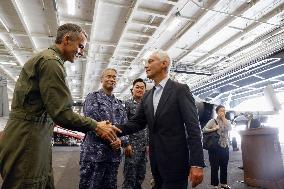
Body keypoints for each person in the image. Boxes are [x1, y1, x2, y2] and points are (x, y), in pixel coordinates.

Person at [0, 23, 119, 189]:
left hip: (35, 137)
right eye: (80, 46)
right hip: (28, 139)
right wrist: (96, 126)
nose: (81, 52)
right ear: (67, 39)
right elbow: (62, 114)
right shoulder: (50, 63)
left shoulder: (50, 60)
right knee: (28, 183)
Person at [116, 50, 205, 189]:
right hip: (156, 162)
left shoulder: (180, 90)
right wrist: (113, 129)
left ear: (164, 64)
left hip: (176, 163)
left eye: (150, 61)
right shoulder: (147, 96)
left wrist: (197, 163)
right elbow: (136, 123)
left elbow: (193, 127)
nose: (146, 66)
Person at [79, 68, 128, 189]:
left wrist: (121, 141)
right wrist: (114, 139)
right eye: (108, 76)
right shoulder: (92, 98)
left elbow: (125, 128)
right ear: (102, 79)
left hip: (112, 158)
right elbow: (93, 123)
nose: (111, 79)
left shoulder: (119, 104)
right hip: (94, 156)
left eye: (114, 77)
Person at [123, 78, 148, 189]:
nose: (139, 89)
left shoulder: (147, 105)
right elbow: (124, 124)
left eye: (142, 88)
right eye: (137, 87)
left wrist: (148, 144)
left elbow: (149, 127)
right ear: (132, 89)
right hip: (132, 146)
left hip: (143, 147)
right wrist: (126, 144)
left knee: (141, 175)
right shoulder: (127, 104)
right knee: (130, 177)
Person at [203, 105, 232, 189]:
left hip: (225, 146)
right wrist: (214, 128)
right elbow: (204, 129)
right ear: (217, 112)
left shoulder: (227, 121)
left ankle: (224, 184)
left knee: (224, 165)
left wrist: (223, 119)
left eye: (224, 111)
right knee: (215, 166)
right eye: (221, 111)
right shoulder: (213, 121)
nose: (223, 112)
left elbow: (229, 128)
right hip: (214, 146)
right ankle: (215, 185)